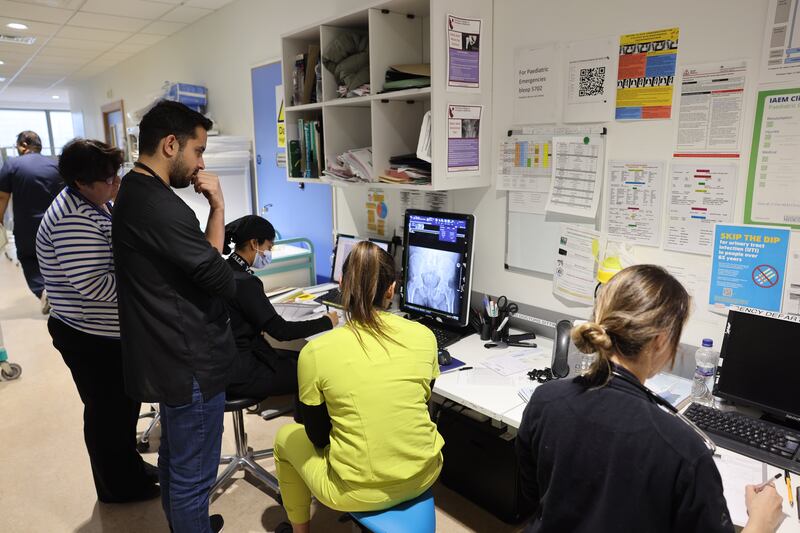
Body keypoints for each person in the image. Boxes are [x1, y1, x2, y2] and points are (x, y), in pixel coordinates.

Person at [515, 264, 784, 533]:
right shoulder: (684, 451)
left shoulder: (545, 400)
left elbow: (531, 497)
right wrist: (761, 521)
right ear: (660, 341)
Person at [112, 100, 235, 533]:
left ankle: (191, 524)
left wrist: (216, 208)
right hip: (188, 361)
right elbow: (219, 275)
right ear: (170, 144)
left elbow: (202, 261)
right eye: (198, 151)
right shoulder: (159, 206)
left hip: (168, 353)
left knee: (176, 459)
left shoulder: (137, 191)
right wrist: (219, 211)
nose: (201, 163)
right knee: (192, 476)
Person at [273, 241, 444, 533]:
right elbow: (421, 401)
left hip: (356, 491)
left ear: (342, 284)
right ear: (391, 289)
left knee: (285, 438)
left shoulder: (316, 352)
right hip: (425, 475)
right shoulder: (425, 336)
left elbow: (316, 435)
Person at [35, 138, 158, 503]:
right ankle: (119, 488)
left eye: (116, 175)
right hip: (89, 336)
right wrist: (148, 279)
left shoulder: (91, 202)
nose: (116, 184)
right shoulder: (71, 219)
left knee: (120, 412)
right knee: (108, 415)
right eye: (108, 179)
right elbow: (97, 286)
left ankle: (129, 468)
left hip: (102, 332)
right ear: (80, 182)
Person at [222, 215, 337, 400]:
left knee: (302, 359)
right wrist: (327, 322)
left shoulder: (225, 269)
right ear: (254, 243)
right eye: (268, 247)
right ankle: (311, 426)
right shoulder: (245, 282)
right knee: (314, 369)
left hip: (228, 365)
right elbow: (281, 332)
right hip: (245, 373)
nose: (269, 253)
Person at [0, 131, 63, 304]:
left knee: (29, 259)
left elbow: (2, 197)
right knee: (57, 258)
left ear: (23, 145)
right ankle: (62, 295)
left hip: (27, 227)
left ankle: (43, 291)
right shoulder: (55, 164)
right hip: (57, 225)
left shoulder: (12, 165)